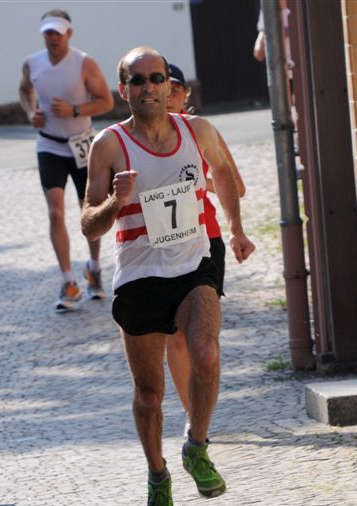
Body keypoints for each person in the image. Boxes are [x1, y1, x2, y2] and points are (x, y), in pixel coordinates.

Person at [81, 47, 255, 506]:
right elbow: (88, 225)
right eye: (137, 81)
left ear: (168, 85)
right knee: (149, 392)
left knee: (205, 353)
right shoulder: (109, 146)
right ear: (124, 91)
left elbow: (224, 174)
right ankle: (157, 475)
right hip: (138, 277)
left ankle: (196, 446)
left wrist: (235, 230)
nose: (149, 87)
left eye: (156, 77)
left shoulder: (197, 132)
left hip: (192, 265)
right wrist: (115, 203)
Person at [165, 64, 246, 435]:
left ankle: (199, 409)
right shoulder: (135, 137)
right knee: (175, 334)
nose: (168, 95)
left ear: (185, 95)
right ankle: (192, 416)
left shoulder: (202, 131)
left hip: (205, 237)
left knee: (202, 335)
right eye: (162, 86)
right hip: (162, 242)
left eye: (175, 89)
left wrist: (236, 231)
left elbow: (236, 185)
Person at [19, 9, 114, 311]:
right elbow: (24, 90)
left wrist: (74, 110)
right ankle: (68, 280)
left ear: (69, 34)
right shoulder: (32, 63)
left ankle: (95, 269)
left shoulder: (83, 63)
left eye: (57, 33)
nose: (52, 38)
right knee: (55, 212)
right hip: (49, 145)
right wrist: (30, 111)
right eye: (47, 32)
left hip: (82, 145)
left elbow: (106, 101)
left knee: (91, 208)